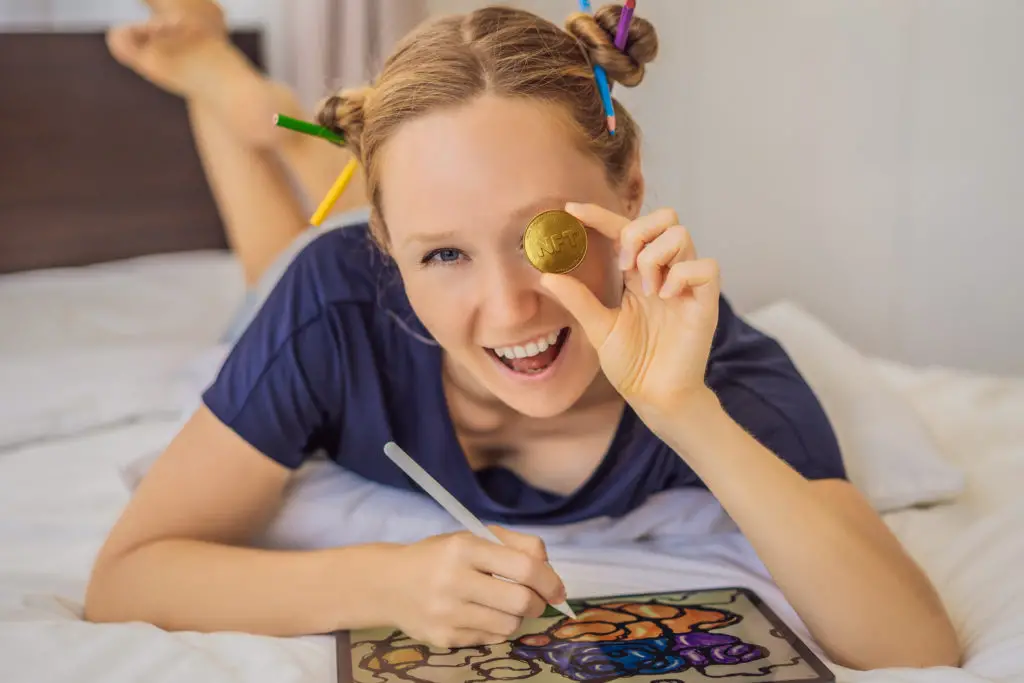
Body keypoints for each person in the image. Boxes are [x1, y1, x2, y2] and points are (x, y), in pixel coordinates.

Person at [85, 0, 961, 670]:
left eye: (551, 239)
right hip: (326, 270)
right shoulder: (337, 302)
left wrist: (684, 410)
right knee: (279, 265)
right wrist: (384, 581)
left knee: (346, 233)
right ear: (389, 253)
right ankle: (233, 89)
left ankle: (273, 113)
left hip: (381, 243)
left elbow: (916, 648)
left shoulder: (711, 357)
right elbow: (126, 577)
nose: (511, 312)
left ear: (630, 193)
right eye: (443, 255)